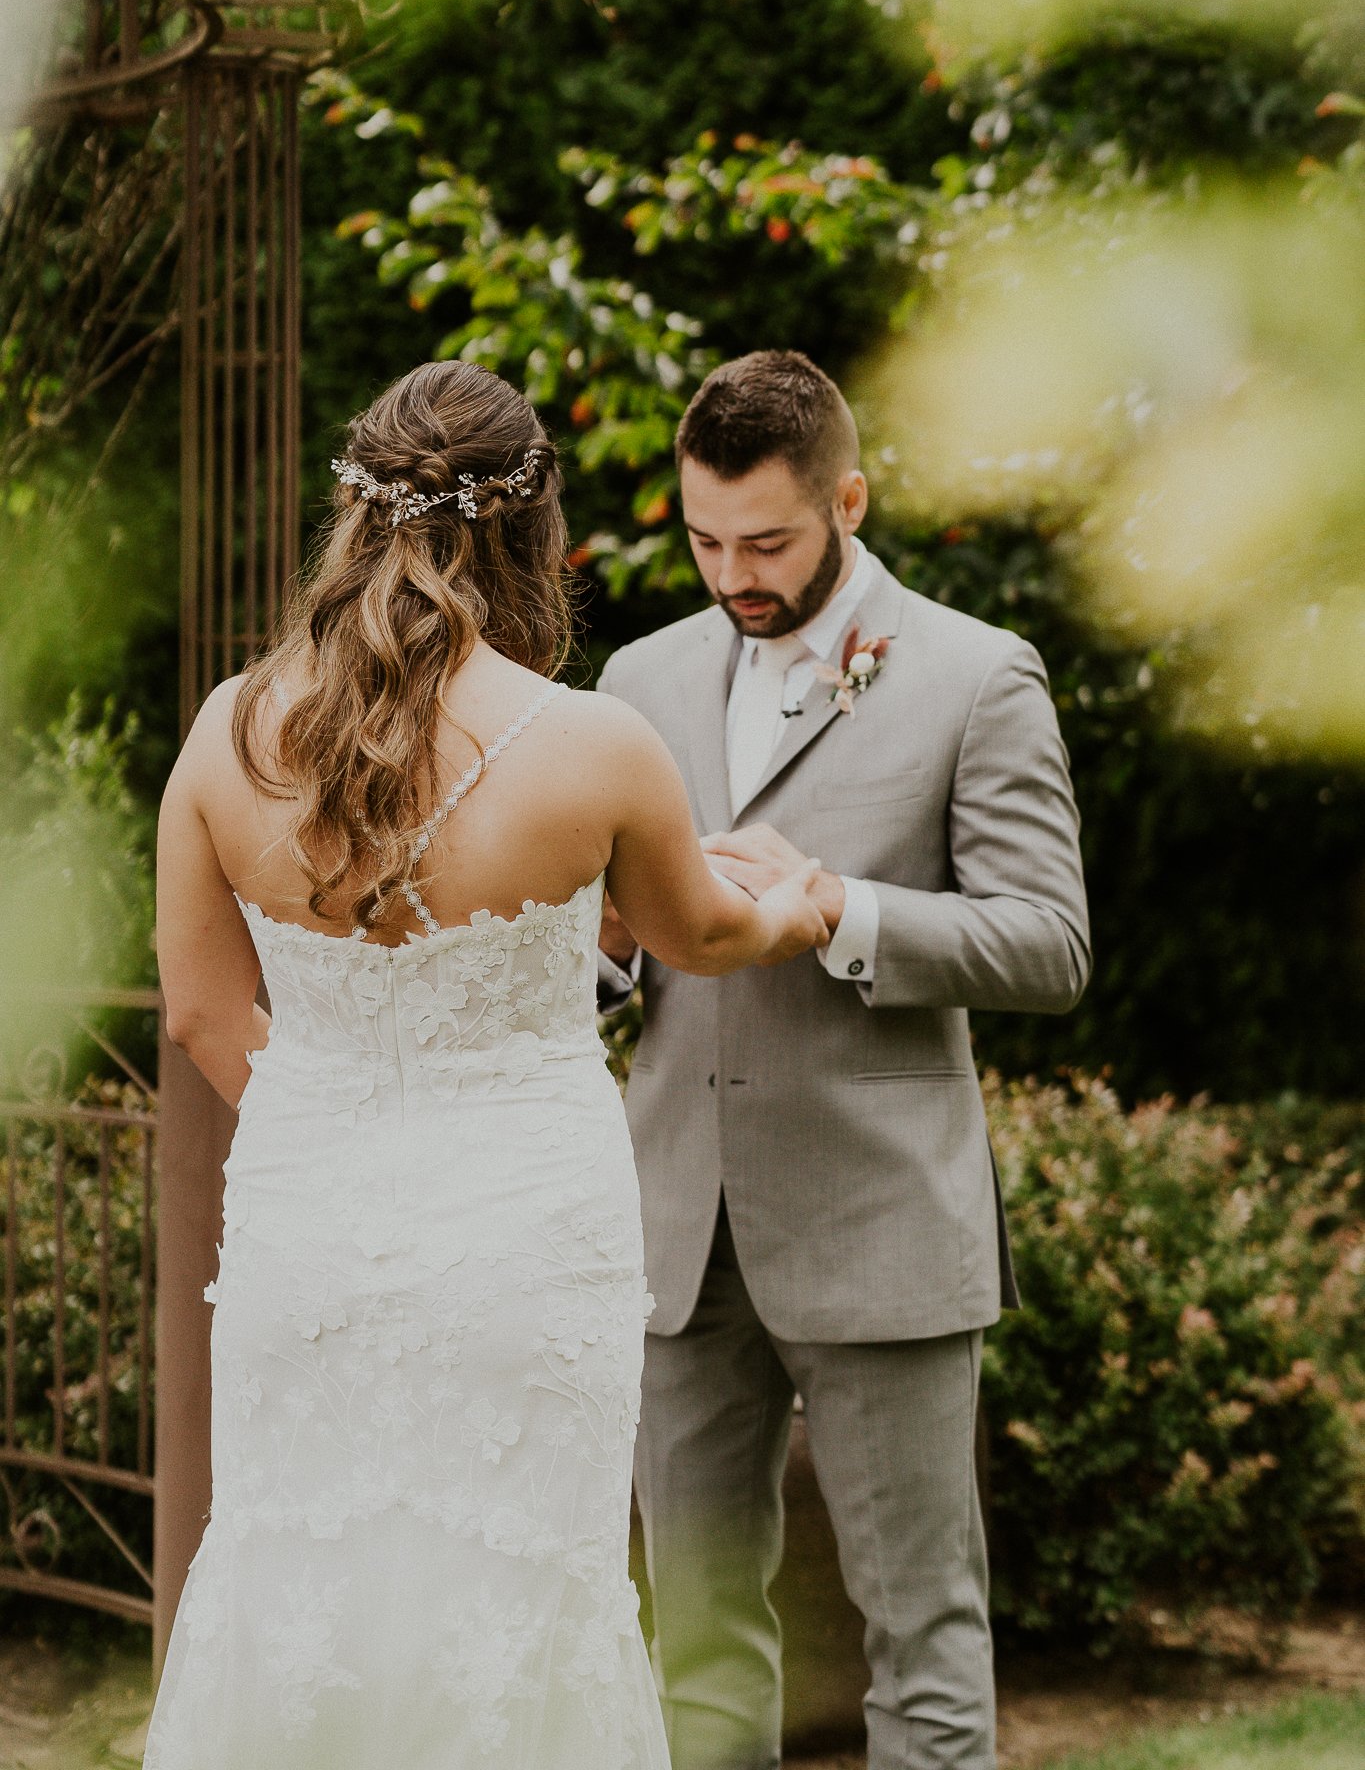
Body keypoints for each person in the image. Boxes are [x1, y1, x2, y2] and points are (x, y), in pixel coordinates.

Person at [146, 358, 828, 1770]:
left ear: (351, 517)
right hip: (526, 1235)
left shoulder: (226, 733)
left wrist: (344, 1137)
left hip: (308, 1242)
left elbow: (204, 1019)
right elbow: (696, 934)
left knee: (297, 1583)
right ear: (534, 531)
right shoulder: (595, 745)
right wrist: (799, 902)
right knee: (519, 1593)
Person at [597, 350, 1091, 1770]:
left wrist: (843, 911)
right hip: (679, 1234)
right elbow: (618, 950)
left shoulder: (976, 675)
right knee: (691, 1641)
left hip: (880, 1227)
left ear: (849, 501)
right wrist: (614, 947)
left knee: (921, 1645)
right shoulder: (637, 680)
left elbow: (1048, 945)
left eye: (768, 542)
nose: (732, 573)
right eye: (703, 540)